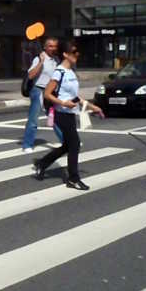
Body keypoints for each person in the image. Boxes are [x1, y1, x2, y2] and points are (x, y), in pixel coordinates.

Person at [32, 40, 104, 191]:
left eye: (78, 52)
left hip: (70, 113)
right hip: (61, 113)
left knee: (68, 146)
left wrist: (94, 107)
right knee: (74, 144)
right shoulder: (59, 72)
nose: (77, 55)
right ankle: (73, 178)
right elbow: (47, 94)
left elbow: (75, 97)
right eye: (74, 52)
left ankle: (42, 163)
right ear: (65, 54)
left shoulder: (71, 72)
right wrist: (63, 103)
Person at [22, 37, 63, 152]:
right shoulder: (39, 58)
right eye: (50, 46)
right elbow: (30, 75)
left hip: (50, 91)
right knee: (33, 119)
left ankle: (66, 141)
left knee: (54, 118)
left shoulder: (56, 59)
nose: (53, 48)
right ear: (45, 47)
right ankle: (27, 145)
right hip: (38, 90)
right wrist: (40, 62)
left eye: (55, 46)